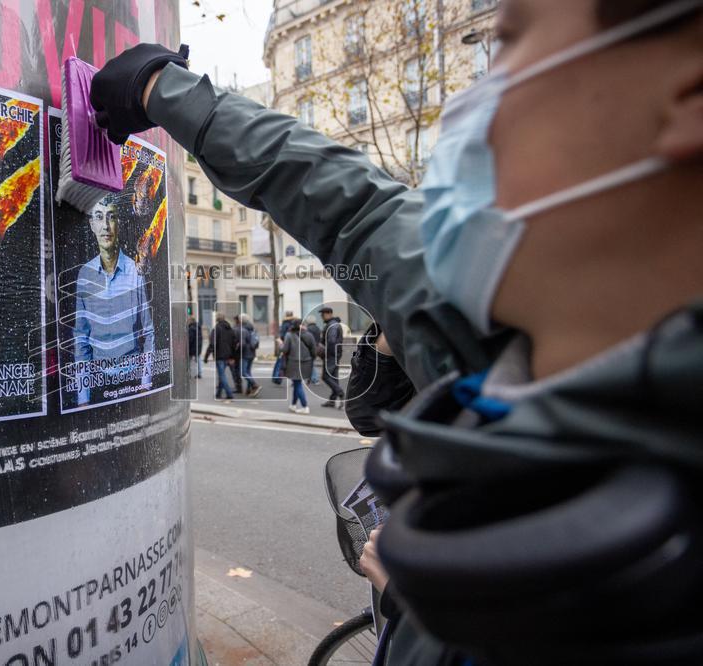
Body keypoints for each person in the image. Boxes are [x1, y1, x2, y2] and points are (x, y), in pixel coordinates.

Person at [91, 2, 703, 663]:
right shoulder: (530, 333)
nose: (475, 99)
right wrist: (172, 93)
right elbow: (358, 209)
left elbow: (361, 212)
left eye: (508, 42)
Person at [73, 196, 155, 406]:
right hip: (98, 382)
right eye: (99, 217)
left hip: (131, 382)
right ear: (92, 225)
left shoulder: (135, 272)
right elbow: (81, 338)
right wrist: (84, 396)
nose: (106, 226)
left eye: (112, 217)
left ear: (118, 223)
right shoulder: (85, 274)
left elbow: (148, 332)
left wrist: (145, 383)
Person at [280, 321, 317, 414]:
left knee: (297, 384)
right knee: (297, 383)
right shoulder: (309, 335)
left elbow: (285, 349)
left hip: (294, 363)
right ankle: (293, 404)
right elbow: (314, 351)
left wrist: (280, 344)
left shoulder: (289, 335)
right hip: (307, 362)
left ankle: (305, 406)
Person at [203, 312, 237, 400]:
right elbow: (234, 344)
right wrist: (233, 356)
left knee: (222, 375)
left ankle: (229, 393)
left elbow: (212, 344)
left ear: (217, 319)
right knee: (222, 375)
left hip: (220, 356)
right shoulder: (230, 329)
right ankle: (218, 393)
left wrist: (206, 356)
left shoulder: (216, 329)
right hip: (229, 356)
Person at [318, 307, 345, 409]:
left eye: (323, 315)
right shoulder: (333, 324)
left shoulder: (332, 325)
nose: (322, 317)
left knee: (326, 376)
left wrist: (325, 353)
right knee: (334, 377)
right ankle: (332, 401)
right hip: (336, 354)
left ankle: (341, 393)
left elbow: (331, 341)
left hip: (331, 355)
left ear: (329, 314)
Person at [271, 310, 299, 385]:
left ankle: (277, 378)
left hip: (285, 345)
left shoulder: (285, 324)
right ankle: (294, 379)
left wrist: (280, 342)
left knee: (280, 362)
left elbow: (282, 335)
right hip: (294, 346)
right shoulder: (295, 323)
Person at [237, 313, 261, 396]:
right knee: (248, 371)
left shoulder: (243, 330)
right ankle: (249, 390)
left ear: (241, 320)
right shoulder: (252, 328)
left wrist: (237, 349)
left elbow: (242, 344)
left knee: (243, 372)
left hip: (245, 354)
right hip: (252, 352)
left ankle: (254, 385)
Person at [305, 317, 322, 384]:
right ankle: (310, 378)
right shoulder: (317, 328)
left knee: (310, 363)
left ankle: (315, 379)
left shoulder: (308, 329)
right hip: (316, 347)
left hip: (310, 348)